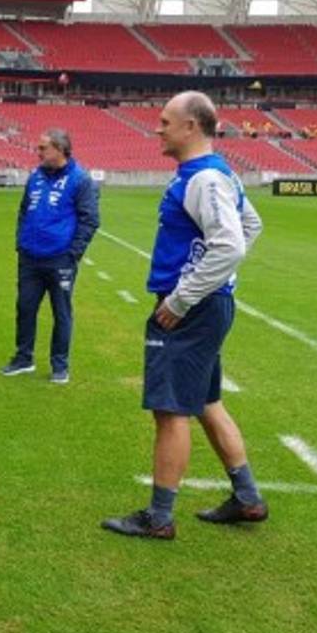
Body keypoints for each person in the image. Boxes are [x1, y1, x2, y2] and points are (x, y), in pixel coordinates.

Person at [102, 91, 266, 540]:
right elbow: (251, 226)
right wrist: (214, 282)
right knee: (207, 402)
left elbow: (231, 244)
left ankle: (159, 517)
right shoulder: (214, 174)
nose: (157, 129)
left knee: (170, 409)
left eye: (165, 121)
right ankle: (248, 497)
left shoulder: (206, 178)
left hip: (189, 309)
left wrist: (183, 297)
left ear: (191, 126)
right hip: (205, 305)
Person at [0, 129, 99, 384]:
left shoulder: (80, 179)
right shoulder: (35, 176)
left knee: (61, 312)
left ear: (60, 149)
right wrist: (21, 242)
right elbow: (24, 211)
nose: (38, 152)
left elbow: (90, 220)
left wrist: (72, 254)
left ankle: (60, 365)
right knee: (25, 308)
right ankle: (24, 358)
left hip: (60, 259)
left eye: (43, 148)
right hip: (30, 257)